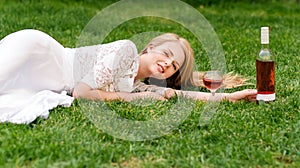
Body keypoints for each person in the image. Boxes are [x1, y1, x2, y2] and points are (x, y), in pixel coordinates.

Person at [0, 29, 256, 124]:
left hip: (44, 81)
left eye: (174, 64)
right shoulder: (126, 50)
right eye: (166, 54)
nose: (167, 63)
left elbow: (182, 95)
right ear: (150, 48)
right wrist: (132, 99)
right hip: (39, 54)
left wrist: (231, 97)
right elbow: (82, 92)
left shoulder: (139, 85)